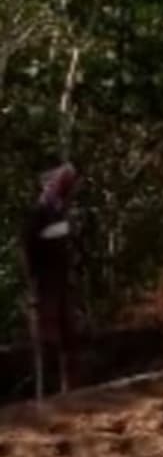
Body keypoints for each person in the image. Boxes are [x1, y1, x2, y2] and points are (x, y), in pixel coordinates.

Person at [20, 163, 81, 394]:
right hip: (45, 288)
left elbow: (65, 248)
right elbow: (28, 251)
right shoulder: (37, 215)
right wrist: (35, 287)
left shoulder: (59, 213)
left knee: (69, 342)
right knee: (46, 347)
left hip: (61, 285)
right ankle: (44, 400)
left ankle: (70, 395)